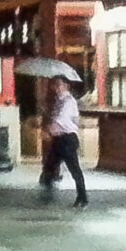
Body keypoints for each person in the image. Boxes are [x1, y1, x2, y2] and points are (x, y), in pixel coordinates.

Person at [38, 71, 87, 207]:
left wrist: (48, 130)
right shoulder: (59, 102)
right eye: (55, 85)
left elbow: (61, 120)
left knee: (74, 169)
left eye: (59, 85)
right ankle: (46, 195)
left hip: (67, 139)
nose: (57, 88)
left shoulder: (68, 101)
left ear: (66, 86)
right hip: (59, 139)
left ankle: (82, 197)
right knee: (49, 167)